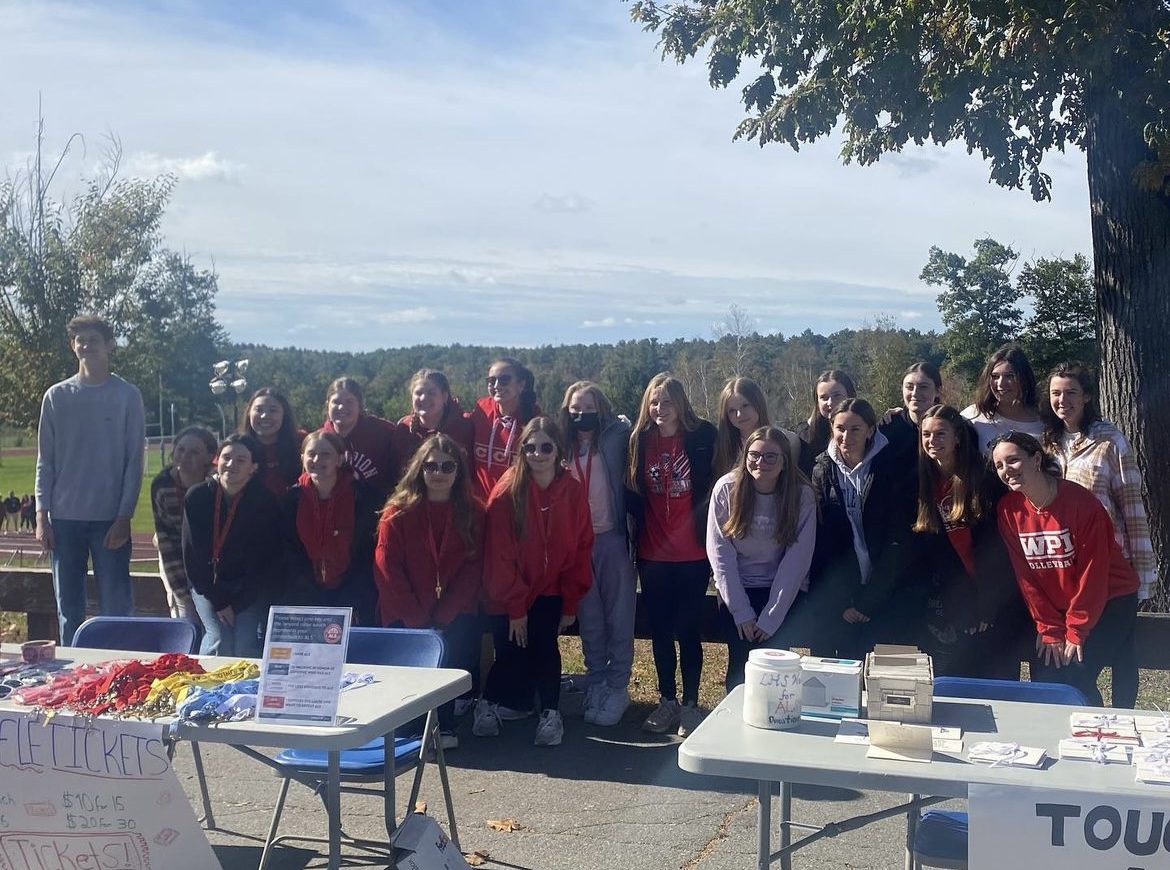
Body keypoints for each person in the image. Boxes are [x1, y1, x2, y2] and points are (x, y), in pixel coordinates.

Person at [992, 432, 1139, 707]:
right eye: (999, 465)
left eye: (1013, 460)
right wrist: (1049, 627)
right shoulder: (1008, 510)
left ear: (1036, 459)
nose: (1006, 470)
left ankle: (1097, 737)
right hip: (1062, 604)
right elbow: (1026, 577)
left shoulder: (1081, 504)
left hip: (1110, 598)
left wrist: (1075, 630)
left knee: (1074, 677)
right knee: (1048, 678)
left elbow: (1093, 573)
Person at [474, 417, 593, 747]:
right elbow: (499, 555)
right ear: (521, 450)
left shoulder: (572, 491)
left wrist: (570, 602)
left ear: (558, 450)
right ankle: (486, 704)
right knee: (512, 650)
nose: (538, 454)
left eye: (546, 447)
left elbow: (581, 547)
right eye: (530, 447)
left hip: (551, 588)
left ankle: (550, 713)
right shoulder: (505, 494)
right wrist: (515, 608)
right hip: (508, 590)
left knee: (545, 646)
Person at [1042, 362, 1154, 707]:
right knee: (1074, 666)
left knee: (1119, 658)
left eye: (1072, 393)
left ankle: (1122, 727)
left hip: (1110, 571)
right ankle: (1088, 724)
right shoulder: (1045, 443)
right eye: (1056, 393)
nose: (1063, 400)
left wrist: (1143, 576)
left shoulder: (1109, 440)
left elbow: (1131, 508)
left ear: (1087, 396)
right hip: (1064, 572)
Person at [35, 315, 146, 645]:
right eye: (80, 340)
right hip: (64, 519)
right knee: (69, 609)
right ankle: (74, 676)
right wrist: (42, 515)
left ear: (109, 345)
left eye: (93, 339)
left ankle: (119, 668)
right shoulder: (56, 396)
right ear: (73, 346)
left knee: (116, 608)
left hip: (109, 520)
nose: (86, 345)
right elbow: (46, 461)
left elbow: (134, 462)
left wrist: (124, 516)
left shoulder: (127, 395)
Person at [375, 433, 485, 746]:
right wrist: (416, 618)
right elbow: (387, 567)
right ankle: (408, 727)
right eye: (431, 466)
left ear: (459, 471)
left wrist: (445, 614)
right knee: (409, 670)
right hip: (405, 609)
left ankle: (444, 725)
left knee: (448, 665)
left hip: (454, 610)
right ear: (419, 470)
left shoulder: (474, 512)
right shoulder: (396, 512)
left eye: (447, 466)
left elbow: (473, 566)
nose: (438, 473)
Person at [626, 373, 717, 737]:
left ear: (681, 404)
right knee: (660, 632)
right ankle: (667, 702)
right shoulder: (639, 441)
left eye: (666, 401)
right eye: (653, 402)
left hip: (693, 553)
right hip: (653, 553)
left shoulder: (702, 438)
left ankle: (691, 705)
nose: (659, 408)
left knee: (688, 631)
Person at [911, 405, 1026, 678]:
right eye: (926, 435)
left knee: (997, 686)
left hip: (995, 602)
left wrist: (987, 604)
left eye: (941, 434)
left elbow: (998, 550)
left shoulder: (985, 479)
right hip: (954, 604)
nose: (932, 441)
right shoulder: (924, 482)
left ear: (958, 437)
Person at [707, 425, 816, 692]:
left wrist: (772, 616)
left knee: (773, 669)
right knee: (739, 667)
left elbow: (797, 559)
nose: (761, 463)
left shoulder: (801, 495)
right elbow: (720, 553)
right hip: (737, 589)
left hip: (779, 592)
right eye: (754, 455)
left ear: (784, 461)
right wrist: (741, 611)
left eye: (771, 457)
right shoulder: (727, 489)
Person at [807, 398, 917, 660]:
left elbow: (899, 539)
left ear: (870, 430)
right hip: (840, 598)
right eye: (840, 428)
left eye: (855, 429)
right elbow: (821, 543)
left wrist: (870, 600)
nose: (847, 436)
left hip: (885, 594)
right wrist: (842, 602)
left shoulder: (891, 467)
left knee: (880, 678)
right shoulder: (821, 470)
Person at [559, 380, 635, 726]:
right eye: (575, 410)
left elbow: (631, 429)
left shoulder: (617, 436)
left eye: (587, 409)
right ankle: (597, 681)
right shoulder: (562, 444)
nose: (581, 415)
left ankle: (618, 686)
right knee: (589, 619)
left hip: (612, 538)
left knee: (618, 617)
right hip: (578, 543)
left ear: (600, 409)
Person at [182, 434, 282, 656]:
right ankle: (206, 686)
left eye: (241, 460)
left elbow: (264, 561)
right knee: (221, 640)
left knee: (244, 643)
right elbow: (193, 557)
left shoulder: (264, 501)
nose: (232, 464)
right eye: (226, 457)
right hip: (208, 585)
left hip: (248, 588)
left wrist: (237, 603)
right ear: (217, 461)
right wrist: (218, 601)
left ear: (253, 467)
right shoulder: (197, 497)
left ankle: (248, 690)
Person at [281, 430, 381, 626]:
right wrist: (308, 597)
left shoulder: (365, 498)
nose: (317, 459)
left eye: (326, 454)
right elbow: (288, 552)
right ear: (302, 458)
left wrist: (350, 598)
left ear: (340, 458)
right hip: (305, 598)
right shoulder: (290, 500)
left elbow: (368, 552)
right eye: (311, 454)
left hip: (354, 597)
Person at [151, 426, 218, 622]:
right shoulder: (162, 485)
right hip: (176, 557)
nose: (184, 457)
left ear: (209, 457)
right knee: (186, 618)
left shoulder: (215, 484)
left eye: (194, 452)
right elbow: (165, 540)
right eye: (180, 449)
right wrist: (180, 589)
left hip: (210, 563)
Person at [470, 357, 540, 499]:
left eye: (504, 380)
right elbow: (451, 421)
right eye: (491, 381)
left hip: (516, 505)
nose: (496, 385)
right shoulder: (481, 410)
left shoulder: (535, 419)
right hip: (479, 506)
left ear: (521, 385)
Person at [322, 376, 402, 498]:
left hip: (376, 508)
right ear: (328, 405)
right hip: (336, 510)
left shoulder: (382, 432)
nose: (342, 407)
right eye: (336, 402)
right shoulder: (321, 440)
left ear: (359, 405)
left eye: (349, 401)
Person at [962, 343, 1044, 454]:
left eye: (1009, 376)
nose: (1001, 384)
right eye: (995, 377)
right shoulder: (973, 416)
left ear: (1024, 378)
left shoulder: (1044, 421)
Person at [712, 377, 798, 479]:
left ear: (758, 403)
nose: (739, 414)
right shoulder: (722, 446)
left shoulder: (788, 440)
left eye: (745, 405)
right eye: (732, 410)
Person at [240, 387, 306, 497]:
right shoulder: (238, 446)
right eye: (259, 410)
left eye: (273, 410)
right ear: (249, 413)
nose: (265, 416)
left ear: (284, 414)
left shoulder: (302, 442)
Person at [397, 369, 476, 460]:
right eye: (418, 393)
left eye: (431, 393)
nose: (424, 398)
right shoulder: (404, 429)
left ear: (444, 397)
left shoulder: (465, 427)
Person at [880, 362, 943, 468]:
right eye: (909, 387)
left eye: (923, 387)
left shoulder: (951, 426)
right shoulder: (888, 427)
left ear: (938, 391)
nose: (914, 393)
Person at [795, 370, 857, 476]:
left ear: (850, 396)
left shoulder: (864, 430)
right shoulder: (801, 435)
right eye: (824, 398)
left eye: (837, 395)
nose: (830, 402)